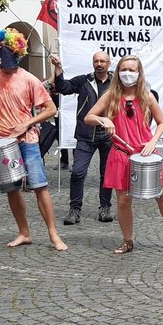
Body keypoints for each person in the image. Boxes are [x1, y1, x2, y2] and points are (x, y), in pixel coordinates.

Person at [0, 28, 68, 251]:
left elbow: (50, 109)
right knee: (11, 189)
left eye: (10, 47)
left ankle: (53, 234)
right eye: (1, 47)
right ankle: (24, 232)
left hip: (28, 139)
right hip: (3, 141)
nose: (6, 51)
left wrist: (28, 123)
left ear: (19, 49)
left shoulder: (29, 80)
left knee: (40, 186)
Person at [83, 55, 163, 255]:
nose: (127, 74)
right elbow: (88, 117)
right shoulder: (110, 96)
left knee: (162, 195)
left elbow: (162, 122)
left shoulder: (147, 96)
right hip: (121, 155)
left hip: (146, 154)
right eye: (124, 69)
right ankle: (127, 240)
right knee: (122, 200)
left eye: (132, 70)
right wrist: (104, 121)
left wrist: (153, 141)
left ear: (139, 74)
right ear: (118, 72)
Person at [52, 51, 114, 226]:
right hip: (85, 135)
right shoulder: (84, 80)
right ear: (93, 63)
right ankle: (74, 210)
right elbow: (63, 88)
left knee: (106, 174)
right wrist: (58, 68)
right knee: (78, 172)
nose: (99, 64)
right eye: (96, 61)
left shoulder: (116, 83)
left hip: (108, 136)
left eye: (103, 61)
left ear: (109, 63)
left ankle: (105, 208)